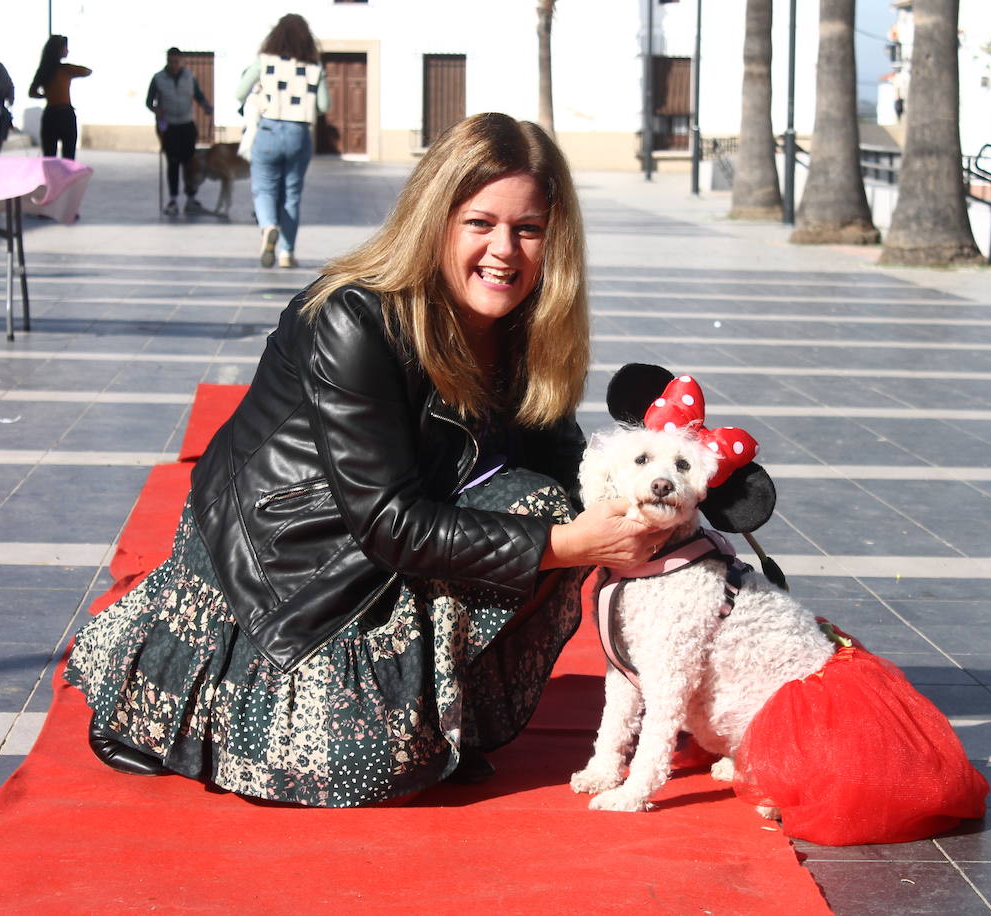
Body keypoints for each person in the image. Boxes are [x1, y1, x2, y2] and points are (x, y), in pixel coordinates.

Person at [64, 112, 666, 807]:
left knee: (551, 502)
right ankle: (160, 715)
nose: (505, 250)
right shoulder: (354, 317)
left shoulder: (523, 325)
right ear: (434, 218)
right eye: (480, 223)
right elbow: (386, 521)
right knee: (366, 775)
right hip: (292, 562)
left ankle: (435, 714)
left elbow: (566, 465)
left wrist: (653, 503)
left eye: (528, 229)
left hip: (402, 539)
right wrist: (567, 544)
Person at [236, 13, 330, 268]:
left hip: (268, 130)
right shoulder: (314, 67)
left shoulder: (265, 62)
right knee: (291, 195)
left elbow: (240, 92)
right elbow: (323, 105)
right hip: (299, 133)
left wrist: (263, 97)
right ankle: (287, 253)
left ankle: (268, 227)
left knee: (264, 187)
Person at [147, 47, 214, 216]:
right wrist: (156, 110)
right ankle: (173, 199)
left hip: (187, 125)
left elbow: (198, 95)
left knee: (190, 164)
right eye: (171, 61)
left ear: (181, 61)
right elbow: (149, 101)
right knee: (173, 163)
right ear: (167, 60)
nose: (174, 65)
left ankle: (191, 199)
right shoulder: (158, 78)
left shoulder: (190, 76)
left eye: (177, 61)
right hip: (169, 126)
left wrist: (206, 107)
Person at [28, 34, 90, 159]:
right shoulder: (65, 70)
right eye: (65, 48)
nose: (67, 51)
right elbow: (87, 71)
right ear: (59, 50)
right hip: (65, 113)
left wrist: (47, 95)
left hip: (51, 113)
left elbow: (32, 92)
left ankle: (52, 178)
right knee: (68, 156)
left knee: (50, 156)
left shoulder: (44, 70)